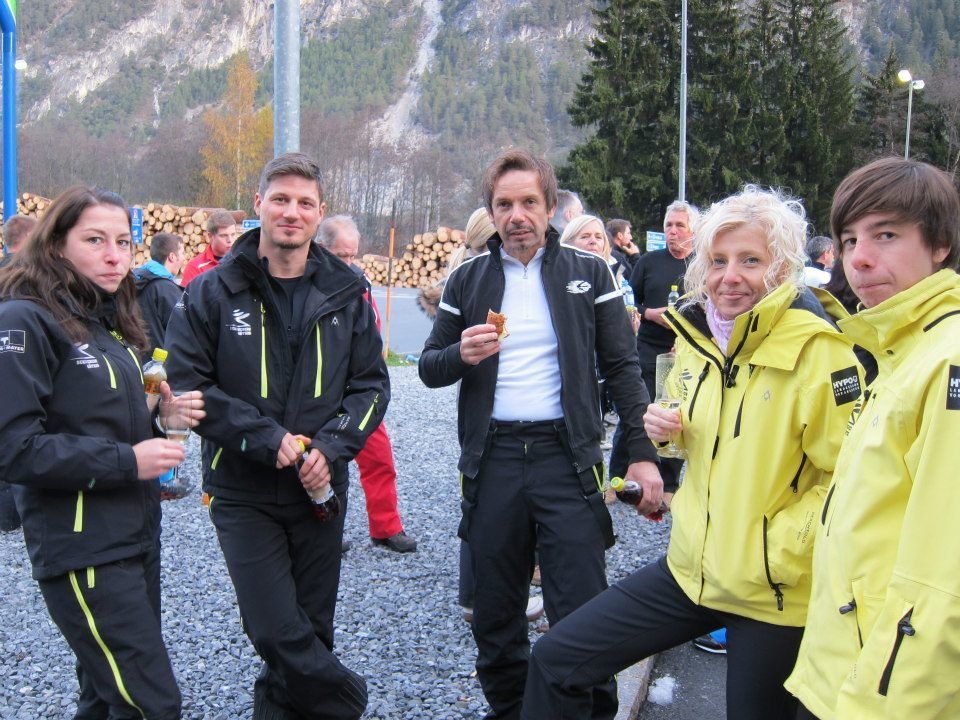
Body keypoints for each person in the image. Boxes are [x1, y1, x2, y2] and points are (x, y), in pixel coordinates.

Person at [522, 186, 862, 720]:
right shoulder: (700, 338)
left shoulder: (822, 355)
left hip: (772, 593)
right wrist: (665, 434)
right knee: (556, 659)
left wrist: (780, 548)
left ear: (784, 268)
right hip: (691, 570)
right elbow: (696, 430)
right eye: (719, 260)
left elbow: (849, 482)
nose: (730, 276)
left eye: (751, 260)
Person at [419, 148, 662, 720]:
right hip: (494, 458)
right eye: (504, 204)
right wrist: (461, 353)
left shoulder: (589, 272)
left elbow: (622, 368)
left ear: (550, 207)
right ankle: (511, 710)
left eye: (529, 202)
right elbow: (429, 367)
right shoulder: (468, 278)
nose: (517, 215)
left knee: (582, 610)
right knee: (496, 610)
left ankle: (592, 714)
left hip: (566, 457)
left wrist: (643, 455)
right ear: (492, 212)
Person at [164, 153, 387, 720]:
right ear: (258, 205)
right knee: (272, 626)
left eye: (305, 203)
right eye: (280, 199)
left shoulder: (348, 290)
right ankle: (346, 701)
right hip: (242, 490)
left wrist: (331, 449)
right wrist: (268, 439)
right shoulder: (211, 292)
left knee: (310, 630)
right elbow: (188, 386)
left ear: (320, 213)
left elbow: (371, 388)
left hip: (320, 492)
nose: (292, 212)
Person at [0, 186, 204, 720]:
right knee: (150, 704)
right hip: (83, 547)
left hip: (135, 535)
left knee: (102, 693)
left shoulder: (105, 321)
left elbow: (98, 418)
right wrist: (129, 462)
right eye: (95, 240)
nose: (115, 255)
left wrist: (162, 419)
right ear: (56, 246)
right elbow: (14, 449)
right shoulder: (22, 320)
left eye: (122, 241)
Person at [786, 158, 960, 719]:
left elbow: (944, 575)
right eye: (848, 238)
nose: (858, 258)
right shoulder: (898, 349)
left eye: (886, 234)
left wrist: (877, 704)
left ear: (940, 245)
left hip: (882, 692)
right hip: (843, 667)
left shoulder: (948, 359)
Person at [317, 214, 417, 553]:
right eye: (341, 255)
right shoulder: (306, 285)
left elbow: (371, 333)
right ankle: (325, 527)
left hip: (359, 392)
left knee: (380, 458)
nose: (348, 263)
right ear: (321, 248)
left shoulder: (359, 284)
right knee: (323, 462)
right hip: (323, 393)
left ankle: (386, 527)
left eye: (352, 255)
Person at [610, 202, 698, 504]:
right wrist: (650, 314)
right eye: (669, 225)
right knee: (638, 412)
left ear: (693, 231)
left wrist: (689, 339)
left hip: (687, 351)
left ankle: (670, 485)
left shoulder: (702, 265)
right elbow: (630, 302)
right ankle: (617, 479)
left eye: (679, 226)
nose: (672, 232)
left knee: (677, 418)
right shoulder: (648, 261)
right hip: (649, 348)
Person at [133, 232, 186, 355]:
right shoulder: (166, 289)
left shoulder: (135, 279)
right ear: (172, 257)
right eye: (182, 253)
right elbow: (182, 330)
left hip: (134, 359)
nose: (184, 258)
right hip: (158, 365)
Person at [180, 209, 237, 285]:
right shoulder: (195, 267)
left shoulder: (241, 261)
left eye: (233, 234)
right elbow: (187, 296)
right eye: (223, 236)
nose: (230, 240)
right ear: (210, 236)